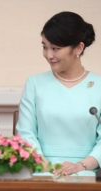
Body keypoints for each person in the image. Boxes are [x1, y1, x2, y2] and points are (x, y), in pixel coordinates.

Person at [16, 11, 101, 176]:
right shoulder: (35, 83)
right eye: (45, 47)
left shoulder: (99, 85)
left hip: (88, 172)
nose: (49, 55)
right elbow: (26, 133)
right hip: (41, 170)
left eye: (55, 48)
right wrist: (47, 166)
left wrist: (81, 165)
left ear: (79, 48)